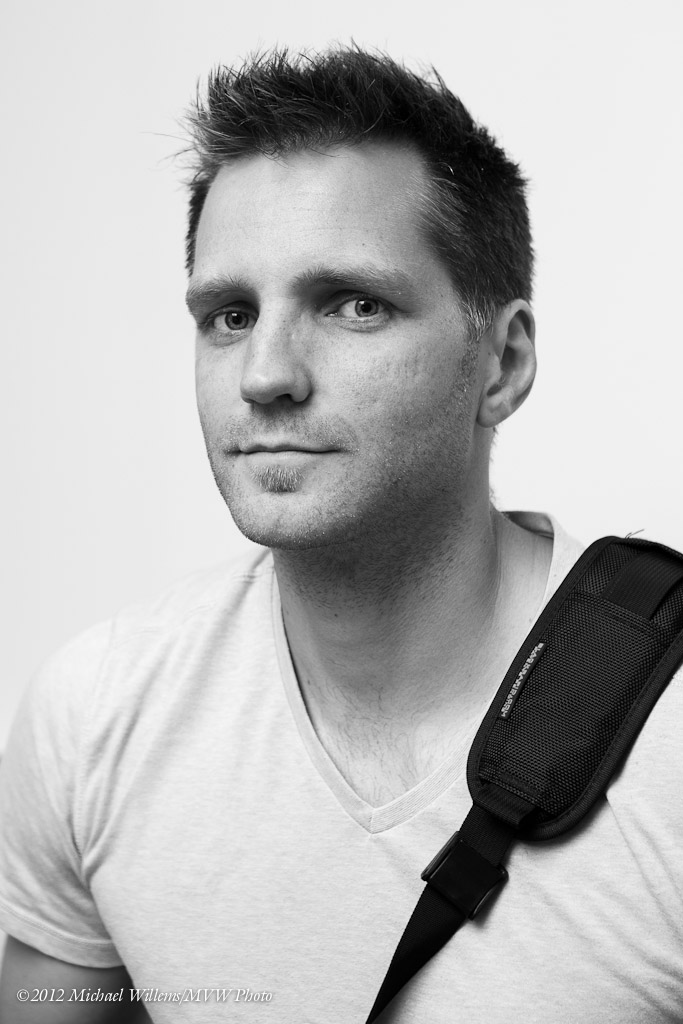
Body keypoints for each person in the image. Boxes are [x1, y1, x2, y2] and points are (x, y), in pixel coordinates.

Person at [0, 46, 681, 1024]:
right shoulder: (93, 719)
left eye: (354, 305)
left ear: (501, 362)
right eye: (229, 315)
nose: (265, 375)